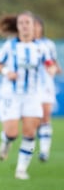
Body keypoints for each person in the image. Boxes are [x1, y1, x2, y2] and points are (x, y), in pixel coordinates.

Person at [0, 11, 57, 180]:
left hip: (33, 95)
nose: (25, 26)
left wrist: (51, 69)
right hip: (11, 95)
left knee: (30, 133)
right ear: (18, 26)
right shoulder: (9, 46)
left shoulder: (42, 47)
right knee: (12, 133)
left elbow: (50, 63)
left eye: (28, 23)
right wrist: (7, 71)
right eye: (21, 23)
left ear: (34, 25)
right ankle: (6, 142)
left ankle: (21, 169)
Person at [34, 15, 62, 162]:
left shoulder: (48, 44)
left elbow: (53, 64)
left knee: (45, 117)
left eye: (37, 25)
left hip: (46, 86)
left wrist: (55, 69)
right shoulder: (23, 45)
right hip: (31, 88)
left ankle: (44, 151)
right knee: (34, 120)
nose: (35, 28)